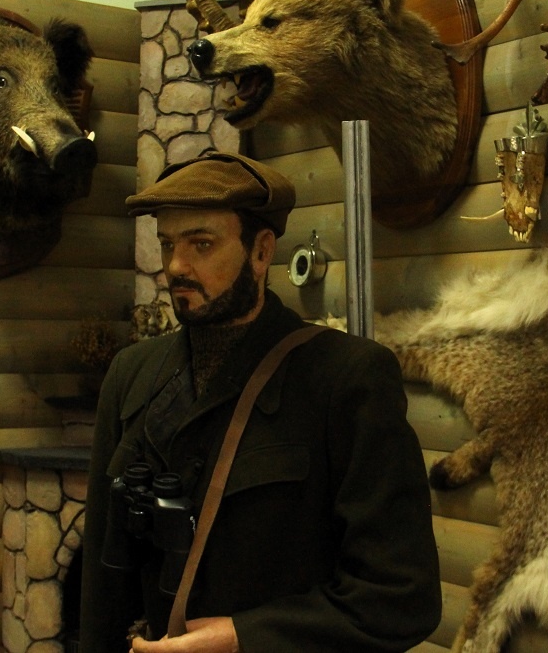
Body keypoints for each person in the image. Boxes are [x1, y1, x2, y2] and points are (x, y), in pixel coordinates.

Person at [80, 152, 442, 653]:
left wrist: (243, 637)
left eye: (201, 244)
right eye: (167, 244)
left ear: (261, 251)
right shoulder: (131, 376)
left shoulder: (345, 378)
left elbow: (402, 598)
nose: (177, 266)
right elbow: (102, 587)